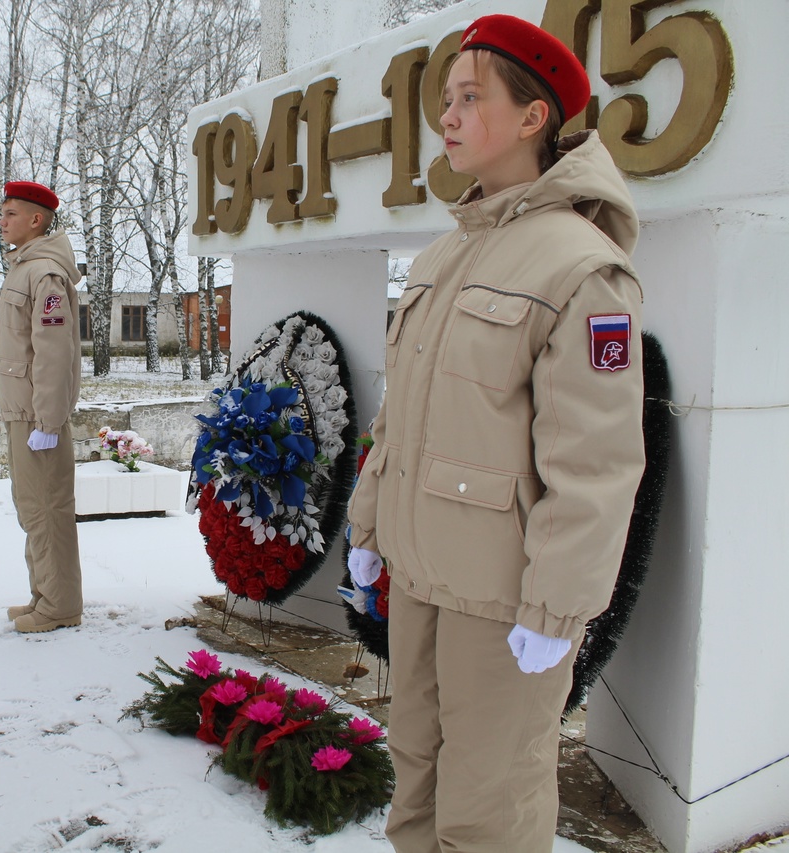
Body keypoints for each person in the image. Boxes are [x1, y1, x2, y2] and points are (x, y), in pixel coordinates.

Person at [345, 15, 645, 851]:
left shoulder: (580, 266)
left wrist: (558, 606)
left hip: (505, 600)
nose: (446, 115)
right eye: (446, 98)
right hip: (421, 578)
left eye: (469, 97)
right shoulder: (443, 257)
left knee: (489, 806)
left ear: (532, 117)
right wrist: (368, 526)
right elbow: (395, 416)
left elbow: (596, 463)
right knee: (415, 778)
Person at [0, 180, 84, 633]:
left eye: (10, 213)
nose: (2, 221)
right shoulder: (23, 268)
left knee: (48, 507)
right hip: (22, 411)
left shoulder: (44, 273)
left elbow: (54, 352)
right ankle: (44, 595)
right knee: (33, 507)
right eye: (2, 212)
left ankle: (60, 606)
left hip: (36, 414)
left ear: (36, 219)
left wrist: (49, 419)